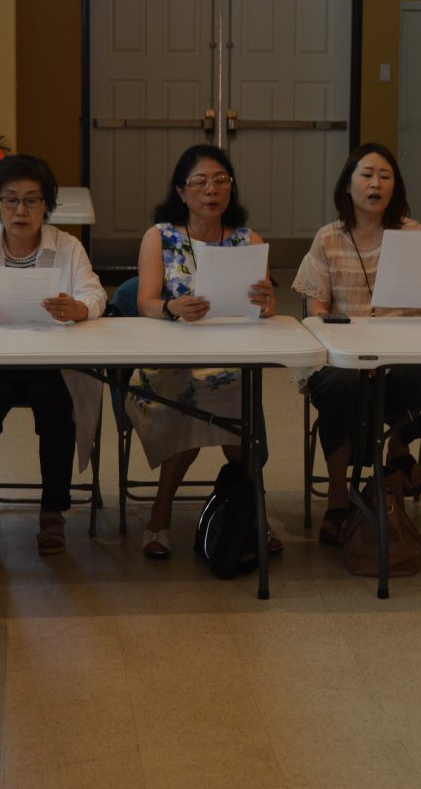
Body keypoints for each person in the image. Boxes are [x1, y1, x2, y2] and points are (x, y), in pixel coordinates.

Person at [0, 154, 106, 564]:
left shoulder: (68, 247)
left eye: (32, 200)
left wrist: (78, 308)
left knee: (57, 410)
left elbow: (95, 294)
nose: (21, 211)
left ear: (47, 205)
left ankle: (53, 513)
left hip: (51, 359)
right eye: (10, 200)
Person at [292, 142, 421, 545]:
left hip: (401, 352)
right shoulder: (328, 238)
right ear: (348, 185)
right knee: (343, 385)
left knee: (414, 379)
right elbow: (315, 312)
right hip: (342, 356)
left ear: (395, 188)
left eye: (385, 176)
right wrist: (353, 348)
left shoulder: (411, 234)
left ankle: (397, 450)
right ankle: (338, 494)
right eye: (366, 175)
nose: (375, 183)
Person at [127, 144, 278, 559]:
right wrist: (172, 308)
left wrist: (266, 303)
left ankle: (252, 512)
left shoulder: (248, 240)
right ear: (181, 190)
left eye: (220, 180)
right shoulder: (160, 237)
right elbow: (145, 302)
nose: (211, 190)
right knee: (192, 398)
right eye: (200, 181)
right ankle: (160, 512)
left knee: (232, 395)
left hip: (229, 359)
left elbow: (265, 310)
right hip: (169, 363)